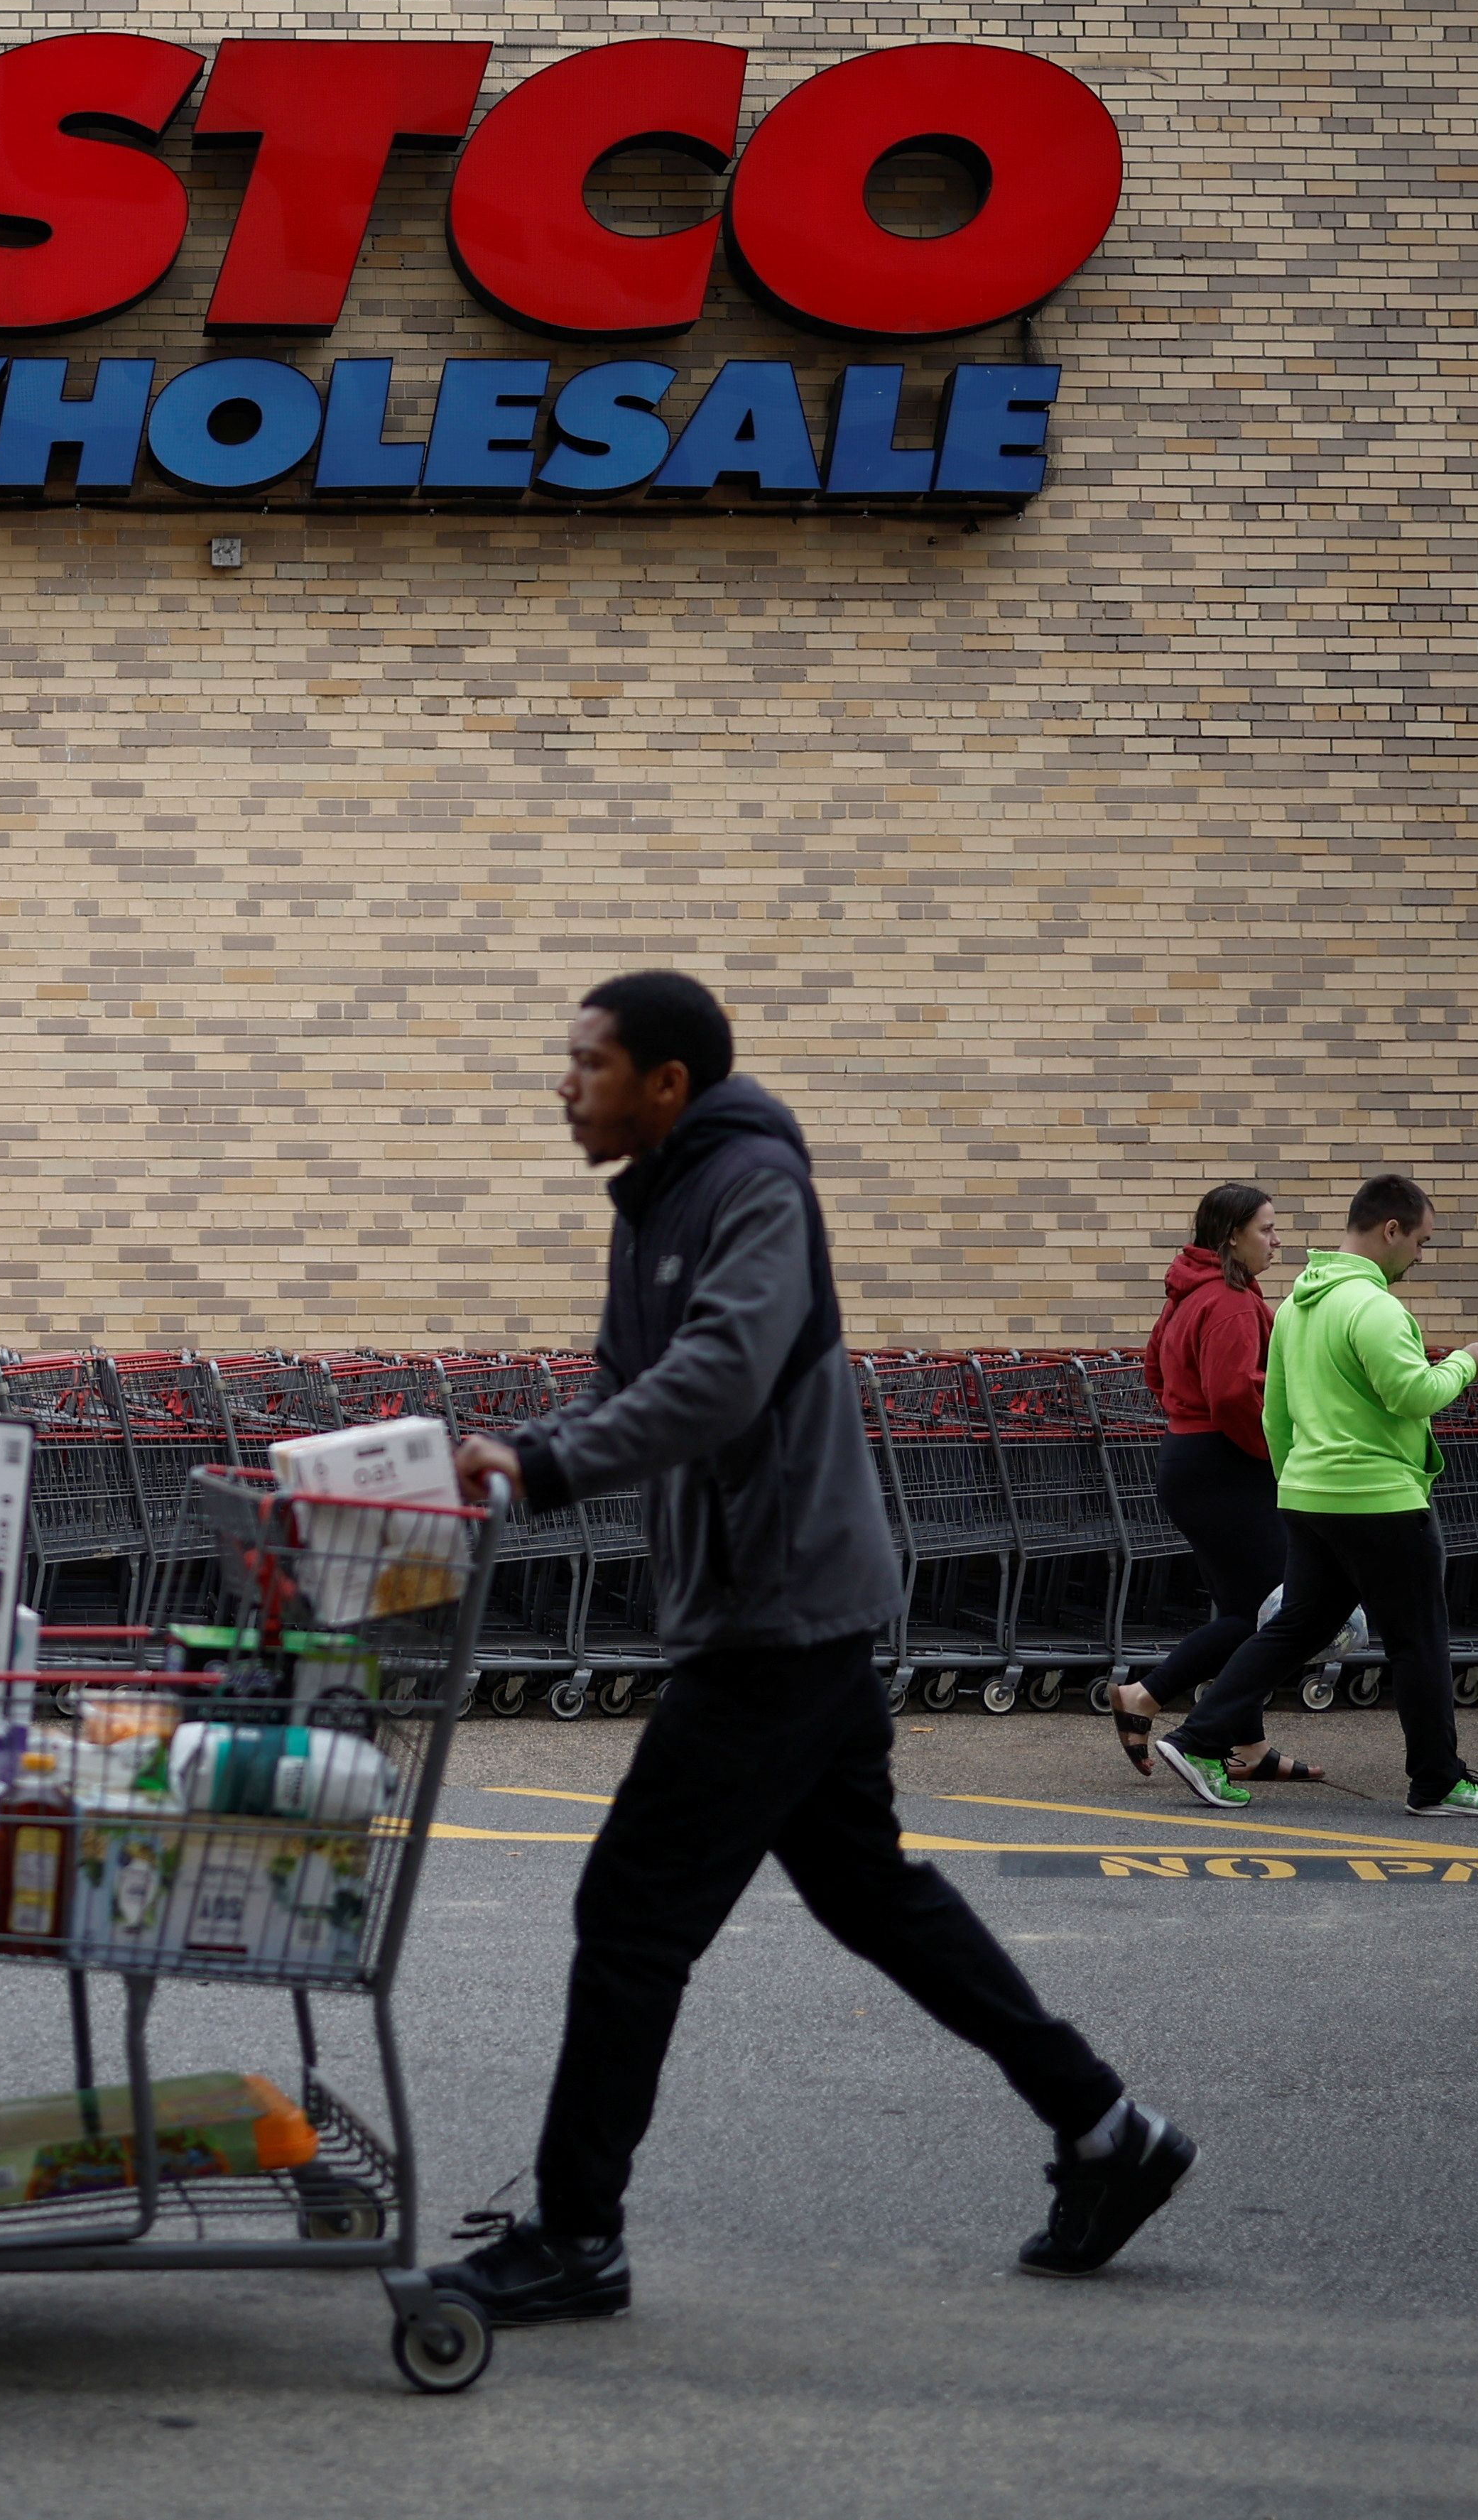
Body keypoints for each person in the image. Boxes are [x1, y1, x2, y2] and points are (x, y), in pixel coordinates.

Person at [435, 971, 1188, 2327]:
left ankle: (574, 2235)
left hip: (775, 1617)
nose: (564, 1084)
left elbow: (721, 1377)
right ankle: (1106, 2132)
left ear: (664, 1082)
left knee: (628, 1914)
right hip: (772, 1606)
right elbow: (628, 1379)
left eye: (586, 1063)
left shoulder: (751, 1187)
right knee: (868, 1894)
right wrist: (524, 1448)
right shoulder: (652, 1199)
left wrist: (545, 1467)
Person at [1155, 1174, 1478, 1820]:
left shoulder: (1298, 1303)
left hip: (1308, 1492)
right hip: (1379, 1498)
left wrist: (1293, 1475)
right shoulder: (1376, 1308)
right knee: (1419, 1640)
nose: (1419, 1256)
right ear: (1391, 1230)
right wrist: (1465, 1363)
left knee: (1299, 1624)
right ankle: (1438, 1781)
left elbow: (1276, 1408)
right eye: (1420, 1241)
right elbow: (1413, 1394)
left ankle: (1199, 1738)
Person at [1103, 1184, 1327, 1787]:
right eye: (1267, 1229)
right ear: (1232, 1235)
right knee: (1276, 1614)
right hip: (1226, 1464)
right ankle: (1147, 1694)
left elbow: (1153, 1368)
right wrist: (1276, 1454)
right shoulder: (1228, 1301)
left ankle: (1248, 1748)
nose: (1276, 1241)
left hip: (1192, 1459)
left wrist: (1187, 1412)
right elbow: (1234, 1396)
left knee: (1245, 1608)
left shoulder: (1190, 1292)